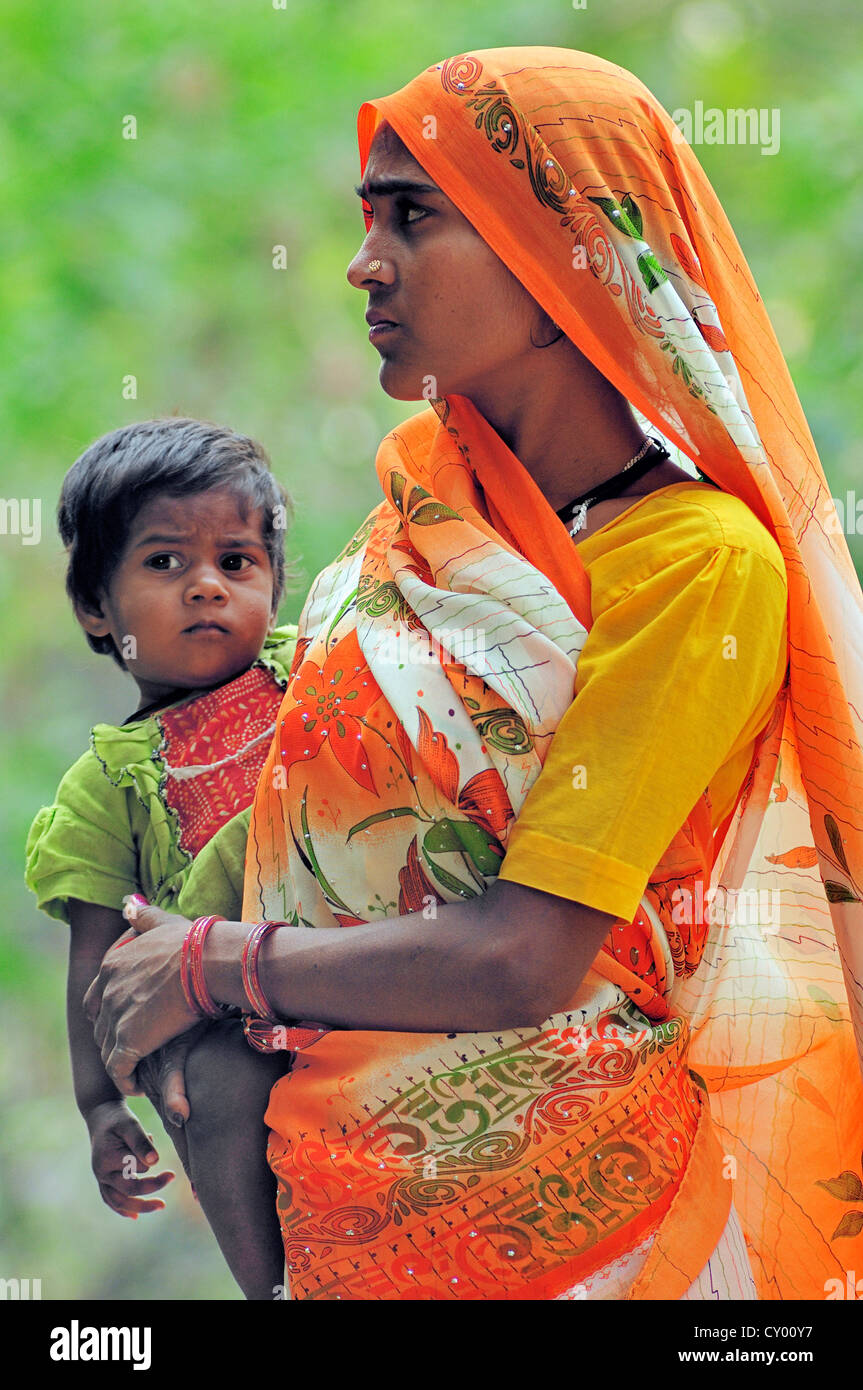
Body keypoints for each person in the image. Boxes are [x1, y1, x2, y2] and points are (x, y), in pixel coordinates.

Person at [85, 48, 863, 1300]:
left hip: (585, 1229)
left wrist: (214, 963)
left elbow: (525, 953)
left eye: (413, 212)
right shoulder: (425, 503)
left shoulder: (697, 568)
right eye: (362, 216)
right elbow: (304, 807)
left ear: (557, 251)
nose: (362, 262)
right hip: (330, 1205)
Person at [25, 417, 306, 1299]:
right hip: (227, 1018)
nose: (205, 588)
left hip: (358, 961)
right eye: (163, 563)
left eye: (236, 561)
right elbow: (94, 967)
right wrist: (100, 1106)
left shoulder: (321, 675)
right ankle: (279, 1292)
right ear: (94, 606)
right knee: (215, 1088)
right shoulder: (104, 783)